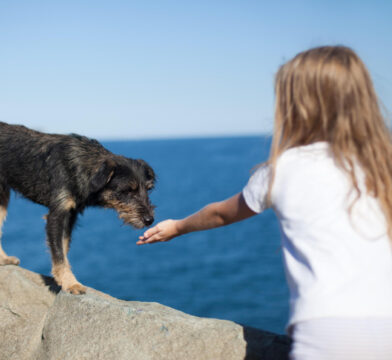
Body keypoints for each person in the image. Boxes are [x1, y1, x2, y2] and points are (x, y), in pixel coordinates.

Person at [137, 46, 392, 359]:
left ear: (300, 107)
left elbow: (219, 214)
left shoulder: (286, 167)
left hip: (326, 329)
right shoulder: (383, 165)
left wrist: (177, 226)